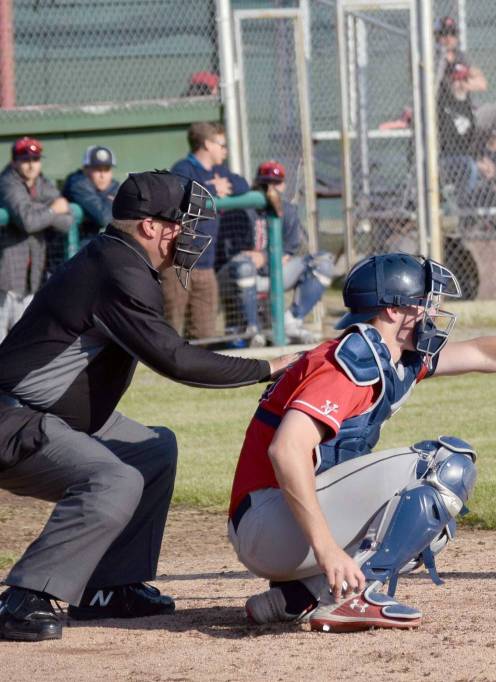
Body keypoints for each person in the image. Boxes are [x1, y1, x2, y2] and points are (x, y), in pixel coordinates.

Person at [229, 252, 496, 632]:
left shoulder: (391, 356)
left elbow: (486, 354)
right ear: (392, 311)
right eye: (422, 303)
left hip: (279, 528)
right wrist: (328, 550)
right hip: (267, 523)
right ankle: (351, 596)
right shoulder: (351, 363)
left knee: (432, 525)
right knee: (443, 467)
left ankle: (298, 597)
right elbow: (286, 450)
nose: (432, 313)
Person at [0, 171, 298, 642]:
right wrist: (268, 367)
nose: (188, 234)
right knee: (112, 480)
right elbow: (177, 360)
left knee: (154, 450)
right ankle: (24, 598)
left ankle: (107, 588)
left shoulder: (117, 259)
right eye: (180, 223)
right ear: (149, 227)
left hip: (47, 415)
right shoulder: (118, 270)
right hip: (15, 419)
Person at [219, 161, 334, 345]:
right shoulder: (241, 209)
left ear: (283, 185)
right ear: (256, 183)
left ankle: (291, 322)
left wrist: (264, 257)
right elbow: (232, 254)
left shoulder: (287, 210)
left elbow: (289, 248)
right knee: (244, 266)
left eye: (276, 183)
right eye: (265, 183)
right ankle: (252, 329)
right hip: (241, 277)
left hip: (275, 273)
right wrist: (261, 258)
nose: (271, 189)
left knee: (323, 262)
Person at [167, 122, 250, 340]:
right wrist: (212, 188)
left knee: (204, 333)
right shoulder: (183, 168)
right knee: (170, 325)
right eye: (221, 145)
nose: (225, 151)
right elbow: (183, 193)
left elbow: (242, 185)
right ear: (207, 144)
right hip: (178, 264)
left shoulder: (219, 171)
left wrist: (222, 185)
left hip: (206, 265)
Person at [0, 137, 73, 343]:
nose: (31, 164)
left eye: (35, 159)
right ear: (14, 161)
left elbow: (68, 220)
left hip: (31, 279)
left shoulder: (42, 183)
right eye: (25, 159)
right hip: (4, 280)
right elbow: (28, 222)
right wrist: (51, 210)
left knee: (21, 344)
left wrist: (39, 211)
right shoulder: (7, 182)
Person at [434, 15, 496, 157]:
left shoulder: (461, 56)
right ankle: (476, 159)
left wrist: (463, 80)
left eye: (452, 33)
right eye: (444, 34)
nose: (449, 38)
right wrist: (458, 77)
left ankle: (491, 154)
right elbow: (440, 87)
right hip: (447, 113)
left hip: (471, 109)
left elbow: (481, 83)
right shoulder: (432, 58)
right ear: (436, 37)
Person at [436, 59, 496, 207]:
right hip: (445, 158)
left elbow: (470, 139)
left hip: (464, 157)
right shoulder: (441, 104)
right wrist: (476, 162)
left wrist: (482, 158)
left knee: (491, 166)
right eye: (456, 80)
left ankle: (484, 208)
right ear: (448, 81)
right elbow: (448, 143)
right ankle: (463, 207)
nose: (460, 84)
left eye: (464, 80)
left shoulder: (467, 105)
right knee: (470, 166)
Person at [62, 145, 120, 240]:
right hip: (69, 244)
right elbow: (104, 218)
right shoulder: (78, 184)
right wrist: (111, 201)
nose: (102, 175)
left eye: (106, 169)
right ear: (85, 169)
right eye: (97, 169)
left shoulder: (113, 186)